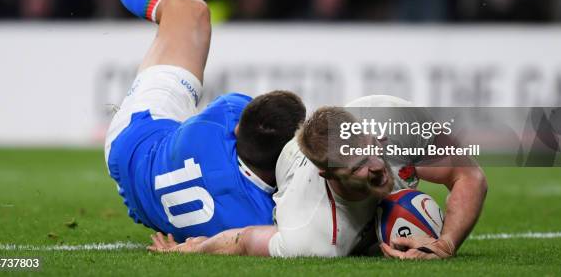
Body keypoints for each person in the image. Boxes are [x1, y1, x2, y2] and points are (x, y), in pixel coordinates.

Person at [54, 0, 306, 242]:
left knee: (187, 12)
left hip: (137, 142)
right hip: (144, 198)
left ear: (236, 133)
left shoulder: (219, 121)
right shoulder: (268, 218)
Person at [149, 95, 488, 259]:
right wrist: (191, 250)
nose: (376, 167)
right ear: (329, 176)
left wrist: (445, 243)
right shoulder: (312, 231)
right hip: (275, 171)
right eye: (357, 167)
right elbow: (246, 238)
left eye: (372, 148)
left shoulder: (390, 116)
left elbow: (469, 174)